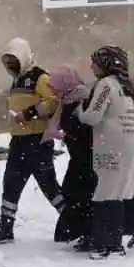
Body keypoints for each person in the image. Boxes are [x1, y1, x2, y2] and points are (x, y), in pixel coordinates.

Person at [0, 37, 63, 243]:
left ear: (24, 58)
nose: (10, 66)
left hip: (37, 142)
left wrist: (29, 113)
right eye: (7, 62)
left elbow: (54, 101)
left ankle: (72, 222)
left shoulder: (40, 77)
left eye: (14, 61)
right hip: (19, 142)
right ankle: (5, 229)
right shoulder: (17, 79)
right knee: (11, 184)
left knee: (49, 187)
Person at [74, 45, 134, 257]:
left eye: (95, 62)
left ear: (106, 65)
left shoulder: (105, 84)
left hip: (114, 147)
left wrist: (79, 108)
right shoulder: (125, 86)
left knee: (106, 194)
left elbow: (92, 117)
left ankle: (110, 246)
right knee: (125, 191)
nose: (91, 66)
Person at [44, 65, 95, 243]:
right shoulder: (68, 100)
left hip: (86, 159)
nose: (53, 91)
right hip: (78, 158)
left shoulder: (81, 99)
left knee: (82, 196)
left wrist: (70, 132)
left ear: (64, 84)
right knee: (73, 194)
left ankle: (87, 234)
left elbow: (86, 128)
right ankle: (78, 233)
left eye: (55, 87)